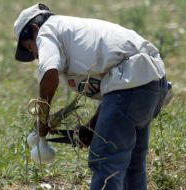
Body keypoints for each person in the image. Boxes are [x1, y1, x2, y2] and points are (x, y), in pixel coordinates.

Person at [13, 3, 171, 190]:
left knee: (105, 162)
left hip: (131, 85)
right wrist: (92, 127)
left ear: (34, 29)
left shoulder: (46, 31)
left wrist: (42, 119)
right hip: (152, 85)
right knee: (132, 165)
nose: (36, 54)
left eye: (31, 47)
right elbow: (115, 88)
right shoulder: (72, 30)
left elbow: (49, 74)